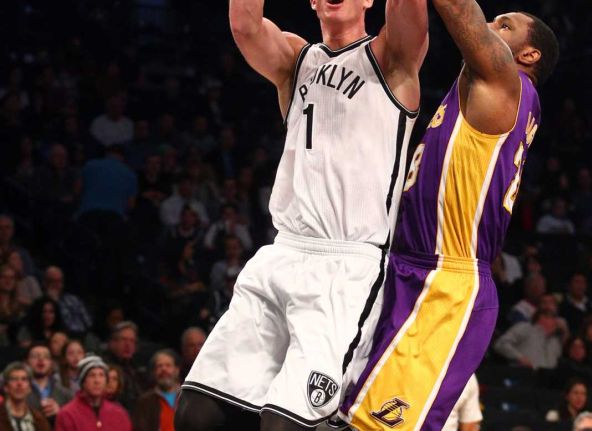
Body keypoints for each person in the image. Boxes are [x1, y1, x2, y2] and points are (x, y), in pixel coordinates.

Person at [177, 0, 429, 428]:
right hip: (282, 253)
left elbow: (411, 14)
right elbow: (244, 25)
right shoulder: (297, 61)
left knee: (285, 426)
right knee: (197, 416)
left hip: (347, 266)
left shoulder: (390, 58)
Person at [339, 1, 558, 429]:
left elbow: (459, 9)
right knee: (344, 413)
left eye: (504, 25)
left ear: (527, 55)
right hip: (405, 267)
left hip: (445, 283)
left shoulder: (505, 81)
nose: (492, 25)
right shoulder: (480, 89)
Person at [54, 356, 132, 431]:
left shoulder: (119, 414)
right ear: (83, 382)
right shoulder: (67, 414)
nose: (97, 381)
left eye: (101, 375)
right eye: (92, 375)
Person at [493, 311, 563, 369]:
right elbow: (501, 344)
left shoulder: (555, 341)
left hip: (547, 381)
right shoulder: (526, 328)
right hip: (522, 375)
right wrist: (519, 357)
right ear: (541, 318)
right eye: (553, 319)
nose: (556, 323)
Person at [102, 321, 147, 411]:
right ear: (113, 343)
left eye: (132, 341)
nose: (128, 345)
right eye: (124, 339)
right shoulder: (103, 367)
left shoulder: (137, 369)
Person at [133, 349, 181, 431]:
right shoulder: (145, 401)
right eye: (159, 366)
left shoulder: (188, 397)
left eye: (168, 365)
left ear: (177, 370)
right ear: (154, 372)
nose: (164, 369)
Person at [24, 343, 73, 423]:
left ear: (51, 363)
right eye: (35, 356)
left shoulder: (66, 394)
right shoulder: (19, 392)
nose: (40, 359)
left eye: (46, 356)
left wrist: (60, 413)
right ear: (26, 362)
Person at [0, 362, 51, 431]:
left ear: (29, 388)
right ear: (6, 387)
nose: (19, 383)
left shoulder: (39, 420)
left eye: (24, 379)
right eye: (14, 379)